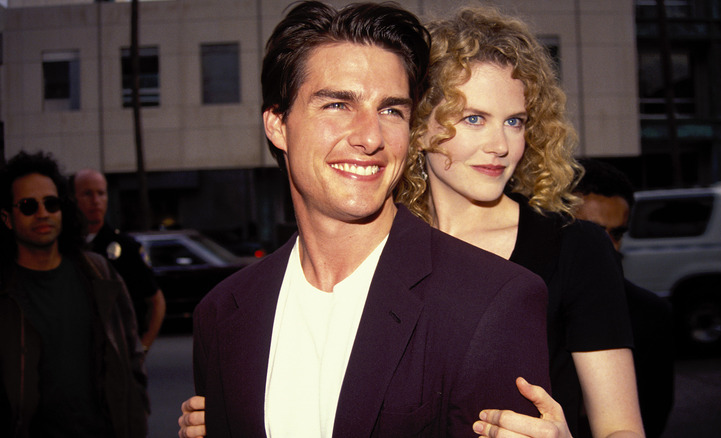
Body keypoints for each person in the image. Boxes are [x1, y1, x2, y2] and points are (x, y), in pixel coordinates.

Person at [187, 2, 551, 437]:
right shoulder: (223, 314)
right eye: (339, 104)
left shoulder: (492, 302)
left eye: (391, 110)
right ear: (278, 124)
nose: (370, 137)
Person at [395, 7, 644, 438]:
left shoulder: (577, 248)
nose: (500, 145)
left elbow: (622, 429)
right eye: (473, 118)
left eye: (515, 121)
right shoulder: (381, 248)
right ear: (418, 128)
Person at [0, 151, 149, 437]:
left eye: (51, 203)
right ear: (7, 218)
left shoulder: (98, 274)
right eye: (28, 206)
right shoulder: (5, 291)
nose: (42, 213)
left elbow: (130, 360)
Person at [574, 158, 675, 438]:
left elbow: (653, 414)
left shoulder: (650, 313)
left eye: (616, 234)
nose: (606, 246)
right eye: (592, 232)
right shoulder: (526, 302)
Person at [72, 168, 166, 353]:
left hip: (118, 352)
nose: (95, 201)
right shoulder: (67, 247)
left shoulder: (125, 247)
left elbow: (156, 301)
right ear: (74, 198)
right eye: (87, 194)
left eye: (101, 193)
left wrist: (142, 348)